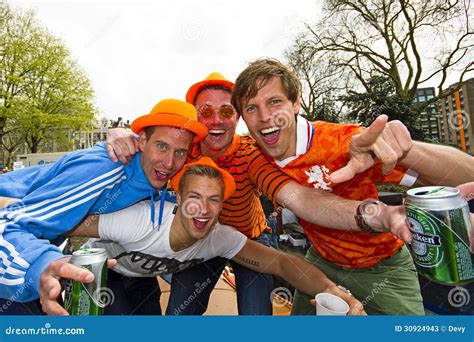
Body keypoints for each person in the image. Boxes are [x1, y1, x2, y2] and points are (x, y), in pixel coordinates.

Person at [106, 73, 411, 315]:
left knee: (256, 313)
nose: (215, 120)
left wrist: (372, 215)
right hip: (204, 242)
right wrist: (120, 136)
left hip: (250, 239)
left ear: (236, 117)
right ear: (196, 120)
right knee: (181, 311)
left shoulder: (253, 155)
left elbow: (299, 198)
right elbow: (153, 142)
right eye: (205, 112)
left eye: (226, 110)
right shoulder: (185, 152)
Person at [229, 58, 474, 315]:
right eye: (251, 108)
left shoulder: (344, 143)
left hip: (382, 266)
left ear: (296, 102)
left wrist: (408, 152)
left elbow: (464, 174)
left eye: (275, 102)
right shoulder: (255, 155)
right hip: (320, 260)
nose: (265, 117)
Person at [39, 158, 366, 316]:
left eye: (214, 200)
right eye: (195, 197)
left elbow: (280, 262)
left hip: (142, 282)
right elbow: (61, 220)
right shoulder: (136, 221)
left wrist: (334, 290)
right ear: (178, 198)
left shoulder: (219, 237)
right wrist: (39, 259)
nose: (203, 209)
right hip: (102, 277)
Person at [0, 98, 207, 312]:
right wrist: (40, 266)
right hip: (15, 246)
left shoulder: (156, 174)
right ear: (142, 140)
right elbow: (9, 223)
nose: (170, 162)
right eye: (162, 146)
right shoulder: (105, 169)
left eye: (180, 152)